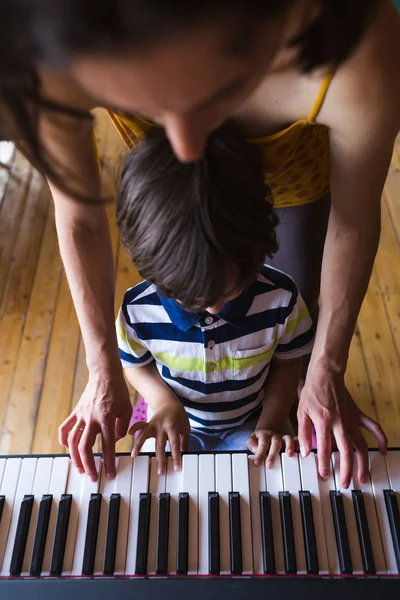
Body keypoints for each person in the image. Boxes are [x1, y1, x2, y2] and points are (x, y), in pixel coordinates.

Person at [0, 0, 397, 486]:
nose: (189, 146)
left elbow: (351, 223)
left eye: (226, 89)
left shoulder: (364, 51)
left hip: (301, 183)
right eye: (145, 105)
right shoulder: (44, 55)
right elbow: (79, 217)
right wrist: (103, 371)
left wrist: (326, 368)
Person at [116, 127, 314, 475]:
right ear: (154, 270)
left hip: (250, 423)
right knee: (153, 482)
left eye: (229, 293)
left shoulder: (281, 297)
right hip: (176, 420)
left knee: (274, 478)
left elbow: (288, 364)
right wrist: (161, 402)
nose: (214, 309)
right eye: (191, 298)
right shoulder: (138, 309)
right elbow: (135, 362)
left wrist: (272, 421)